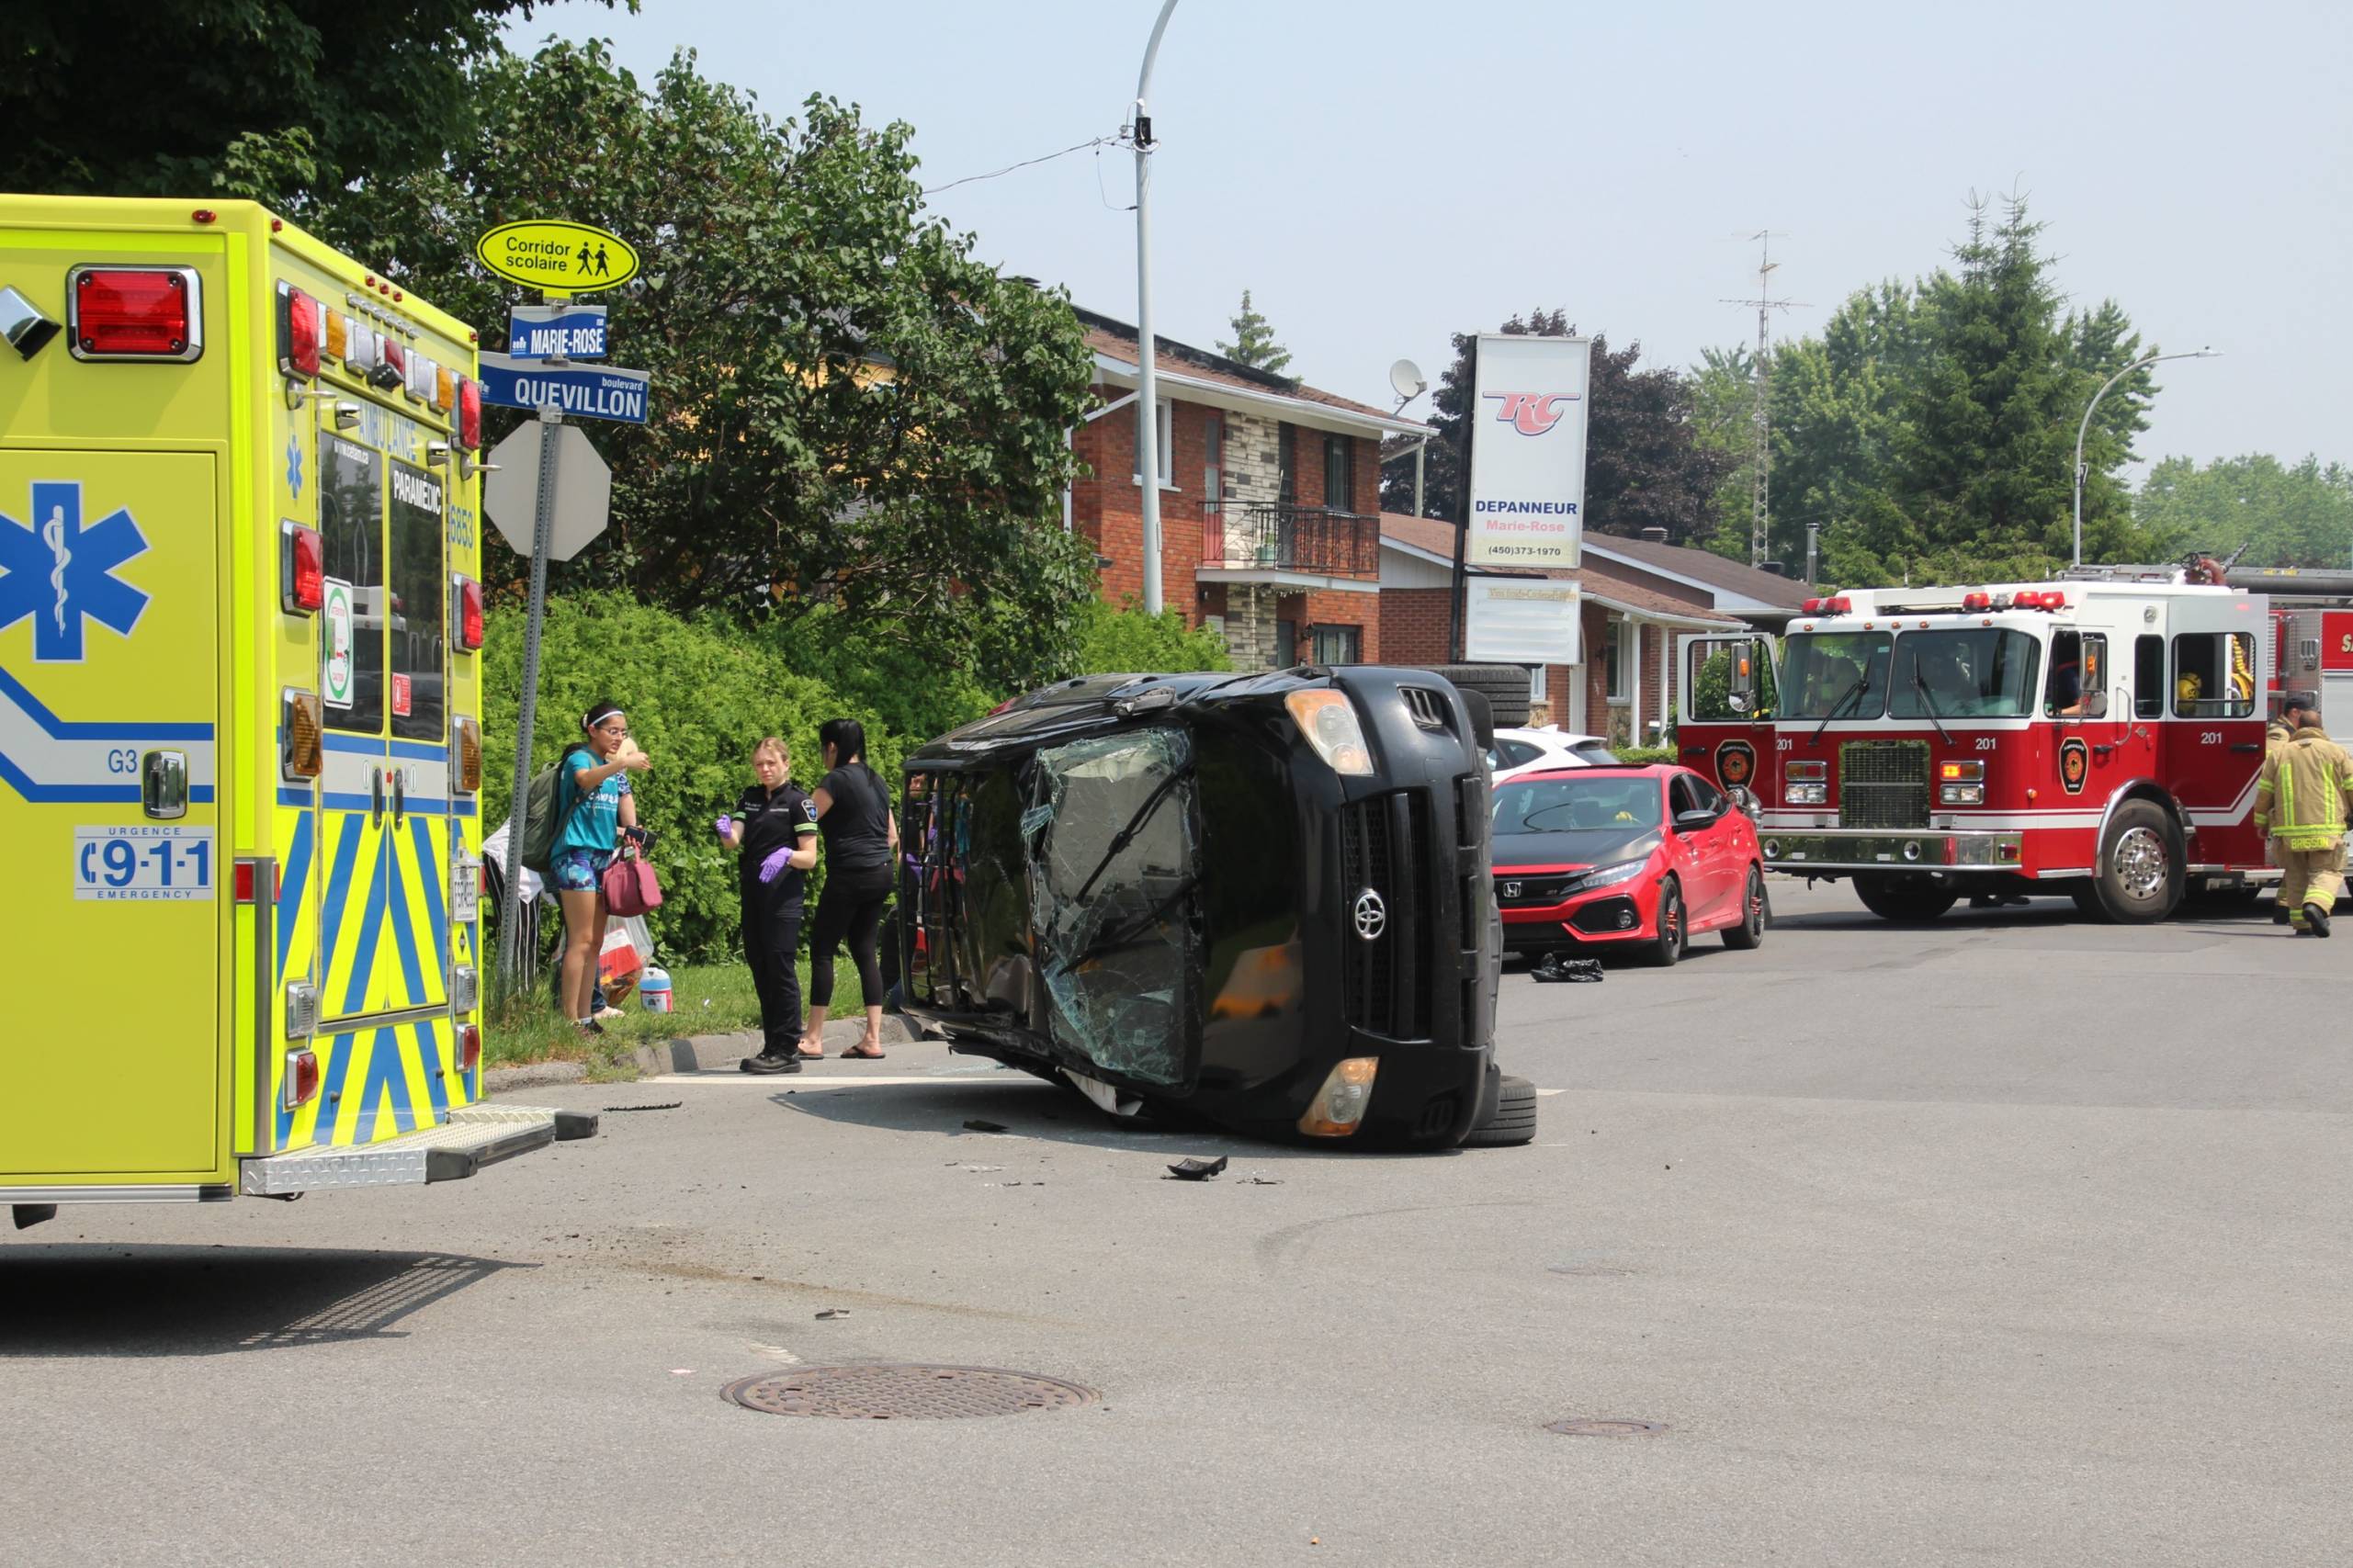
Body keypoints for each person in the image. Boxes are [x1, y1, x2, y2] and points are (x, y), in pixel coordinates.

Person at [799, 718, 899, 1060]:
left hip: (850, 873)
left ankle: (813, 1037)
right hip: (882, 872)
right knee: (864, 948)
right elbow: (892, 837)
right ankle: (872, 1038)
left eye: (822, 748)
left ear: (831, 747)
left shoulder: (834, 781)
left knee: (823, 949)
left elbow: (805, 820)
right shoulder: (878, 780)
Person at [726, 738, 820, 1075]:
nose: (765, 769)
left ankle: (787, 1048)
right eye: (759, 764)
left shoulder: (799, 802)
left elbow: (810, 857)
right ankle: (771, 1045)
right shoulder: (749, 798)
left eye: (771, 763)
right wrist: (726, 831)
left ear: (785, 764)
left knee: (780, 966)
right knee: (760, 965)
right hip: (754, 892)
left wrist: (787, 855)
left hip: (783, 896)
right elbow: (734, 839)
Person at [554, 702, 650, 1032]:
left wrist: (628, 835)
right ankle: (569, 1019)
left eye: (623, 732)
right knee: (580, 940)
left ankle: (585, 1015)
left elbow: (607, 817)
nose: (619, 737)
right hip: (575, 856)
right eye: (613, 731)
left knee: (595, 941)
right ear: (592, 730)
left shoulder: (612, 771)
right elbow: (583, 781)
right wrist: (622, 762)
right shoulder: (581, 758)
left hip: (600, 857)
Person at [2254, 691, 2353, 937]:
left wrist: (2261, 822)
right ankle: (2316, 906)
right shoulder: (2336, 752)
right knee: (2327, 872)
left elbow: (2264, 792)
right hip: (2326, 828)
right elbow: (2351, 786)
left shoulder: (2280, 753)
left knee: (2296, 876)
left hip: (2288, 831)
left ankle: (2302, 925)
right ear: (2320, 727)